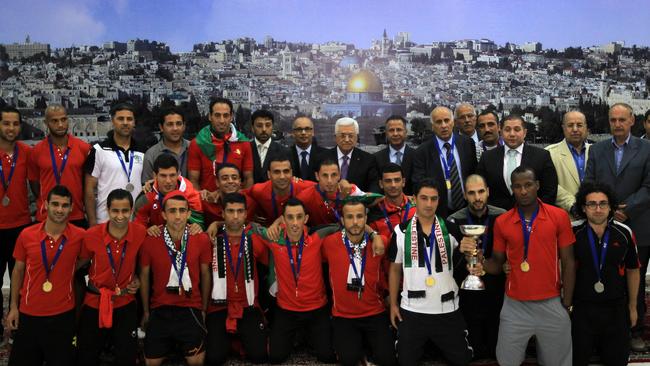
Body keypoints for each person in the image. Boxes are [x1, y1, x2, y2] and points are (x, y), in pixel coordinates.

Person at [478, 166, 575, 366]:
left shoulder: (559, 216)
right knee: (507, 361)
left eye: (528, 185)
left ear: (537, 185)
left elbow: (568, 261)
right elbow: (497, 263)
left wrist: (567, 302)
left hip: (552, 302)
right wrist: (478, 260)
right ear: (512, 189)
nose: (523, 191)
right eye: (518, 186)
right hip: (515, 305)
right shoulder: (503, 222)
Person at [584, 102, 650, 352]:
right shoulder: (598, 149)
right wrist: (609, 209)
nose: (618, 124)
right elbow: (589, 183)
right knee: (607, 278)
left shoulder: (647, 149)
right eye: (613, 120)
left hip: (639, 226)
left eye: (622, 120)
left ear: (633, 121)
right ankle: (604, 333)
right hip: (604, 225)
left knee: (635, 280)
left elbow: (649, 187)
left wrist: (627, 208)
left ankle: (635, 331)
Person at [388, 178, 473, 366]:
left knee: (462, 359)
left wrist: (470, 251)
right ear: (414, 199)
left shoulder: (451, 229)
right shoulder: (400, 231)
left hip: (447, 308)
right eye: (424, 198)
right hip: (412, 310)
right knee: (404, 361)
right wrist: (393, 304)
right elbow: (394, 269)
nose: (429, 204)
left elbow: (469, 260)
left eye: (433, 199)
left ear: (439, 200)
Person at [7, 185, 84, 366]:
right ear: (45, 204)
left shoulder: (80, 236)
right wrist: (13, 307)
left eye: (65, 205)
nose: (59, 210)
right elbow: (17, 270)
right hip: (29, 313)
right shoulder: (26, 235)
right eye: (55, 204)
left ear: (72, 208)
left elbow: (93, 255)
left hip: (63, 315)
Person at [139, 191, 213, 366]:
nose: (178, 216)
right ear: (164, 214)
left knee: (196, 362)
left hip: (190, 308)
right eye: (172, 211)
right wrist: (146, 312)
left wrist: (203, 309)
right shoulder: (151, 240)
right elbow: (144, 277)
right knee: (151, 363)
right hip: (160, 308)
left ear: (189, 213)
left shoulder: (200, 239)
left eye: (182, 210)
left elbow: (205, 274)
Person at [571, 181, 640, 366]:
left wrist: (632, 307)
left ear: (611, 207)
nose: (598, 209)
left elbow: (633, 270)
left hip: (615, 309)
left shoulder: (624, 233)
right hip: (581, 309)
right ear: (583, 208)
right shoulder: (573, 232)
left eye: (603, 203)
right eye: (591, 204)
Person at [76, 189, 147, 366]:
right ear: (107, 210)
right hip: (96, 301)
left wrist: (136, 277)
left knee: (127, 358)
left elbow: (142, 261)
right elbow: (80, 264)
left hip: (125, 301)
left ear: (131, 211)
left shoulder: (140, 233)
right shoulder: (91, 235)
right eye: (115, 211)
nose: (120, 216)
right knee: (85, 357)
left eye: (125, 211)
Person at [322, 200, 397, 366]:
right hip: (343, 315)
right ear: (342, 220)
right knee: (348, 360)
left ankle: (368, 347)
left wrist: (374, 235)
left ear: (366, 218)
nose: (355, 222)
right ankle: (361, 347)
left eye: (359, 216)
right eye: (349, 217)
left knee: (387, 360)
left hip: (374, 312)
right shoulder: (329, 244)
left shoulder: (380, 243)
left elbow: (394, 266)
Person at [205, 193, 269, 365]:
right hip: (219, 306)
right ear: (222, 213)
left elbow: (270, 268)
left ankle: (238, 339)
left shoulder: (255, 240)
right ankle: (231, 341)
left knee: (259, 356)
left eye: (240, 211)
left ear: (246, 213)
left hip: (248, 305)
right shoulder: (211, 240)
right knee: (214, 358)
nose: (235, 216)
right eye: (230, 211)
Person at [449, 174, 506, 360]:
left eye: (481, 191)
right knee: (473, 352)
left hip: (497, 290)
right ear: (465, 195)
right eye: (472, 193)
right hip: (467, 294)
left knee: (496, 351)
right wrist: (460, 251)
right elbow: (448, 263)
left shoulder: (502, 217)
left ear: (488, 192)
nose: (478, 197)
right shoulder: (453, 221)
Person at [476, 114, 558, 211]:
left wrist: (537, 213)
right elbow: (481, 190)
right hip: (497, 218)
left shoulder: (541, 156)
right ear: (501, 132)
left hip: (533, 218)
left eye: (517, 129)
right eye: (507, 130)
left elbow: (550, 191)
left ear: (525, 132)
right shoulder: (487, 157)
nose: (512, 134)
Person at [85, 102, 146, 226]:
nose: (125, 122)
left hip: (135, 222)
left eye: (129, 119)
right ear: (112, 121)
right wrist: (92, 223)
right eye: (120, 119)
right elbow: (89, 189)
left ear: (134, 123)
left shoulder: (143, 150)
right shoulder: (99, 150)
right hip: (105, 221)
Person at [29, 104, 91, 227]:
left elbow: (86, 183)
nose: (60, 125)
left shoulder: (83, 148)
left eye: (63, 119)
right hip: (46, 217)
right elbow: (34, 184)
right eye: (55, 121)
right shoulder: (36, 151)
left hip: (75, 215)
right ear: (46, 123)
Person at [0, 106, 32, 341]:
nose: (11, 128)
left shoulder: (26, 152)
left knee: (20, 282)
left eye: (14, 124)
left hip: (20, 227)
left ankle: (17, 326)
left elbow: (35, 187)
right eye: (6, 123)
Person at [412, 106, 477, 217]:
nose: (443, 126)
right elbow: (419, 184)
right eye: (439, 122)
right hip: (438, 212)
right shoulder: (422, 152)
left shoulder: (467, 143)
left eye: (446, 120)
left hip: (468, 210)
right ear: (432, 126)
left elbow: (474, 174)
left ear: (453, 122)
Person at [188, 97, 253, 192]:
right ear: (210, 116)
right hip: (207, 204)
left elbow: (248, 179)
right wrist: (201, 201)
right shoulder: (198, 143)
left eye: (226, 116)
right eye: (217, 115)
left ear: (231, 117)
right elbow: (193, 180)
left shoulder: (243, 143)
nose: (222, 121)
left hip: (235, 203)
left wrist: (239, 201)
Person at [134, 153, 203, 233]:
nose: (168, 181)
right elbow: (136, 231)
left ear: (178, 174)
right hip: (155, 241)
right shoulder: (145, 198)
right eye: (163, 176)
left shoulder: (191, 194)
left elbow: (200, 225)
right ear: (155, 176)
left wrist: (197, 227)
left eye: (172, 175)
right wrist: (146, 231)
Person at [246, 154, 315, 223]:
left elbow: (323, 188)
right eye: (276, 172)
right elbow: (241, 197)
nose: (282, 177)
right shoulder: (258, 190)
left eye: (286, 171)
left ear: (291, 173)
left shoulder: (306, 188)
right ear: (269, 174)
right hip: (268, 231)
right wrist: (252, 214)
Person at [545, 110, 590, 215]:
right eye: (570, 125)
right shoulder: (549, 153)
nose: (575, 129)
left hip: (596, 216)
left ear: (586, 127)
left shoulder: (596, 152)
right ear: (563, 128)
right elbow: (550, 185)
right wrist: (573, 205)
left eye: (579, 125)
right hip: (565, 217)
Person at [296, 159, 365, 227]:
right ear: (317, 176)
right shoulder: (305, 197)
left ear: (339, 175)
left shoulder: (349, 190)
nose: (329, 180)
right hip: (318, 235)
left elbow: (373, 200)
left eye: (334, 175)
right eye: (325, 175)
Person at [328, 117, 380, 192]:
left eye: (351, 136)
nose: (346, 140)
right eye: (342, 136)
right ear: (335, 137)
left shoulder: (368, 160)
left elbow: (374, 187)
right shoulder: (323, 158)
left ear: (357, 137)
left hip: (359, 203)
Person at [142, 106, 190, 182]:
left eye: (179, 124)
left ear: (184, 126)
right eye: (170, 124)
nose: (175, 128)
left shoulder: (194, 148)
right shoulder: (152, 155)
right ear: (161, 127)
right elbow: (147, 186)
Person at [374, 115, 415, 194]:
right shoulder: (376, 158)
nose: (395, 134)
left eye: (399, 130)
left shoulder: (416, 156)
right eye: (391, 130)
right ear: (386, 133)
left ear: (405, 132)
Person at [249, 109, 288, 183]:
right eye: (259, 126)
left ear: (272, 127)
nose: (264, 129)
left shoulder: (284, 151)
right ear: (252, 128)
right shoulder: (246, 149)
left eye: (268, 125)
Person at [288, 115, 328, 182]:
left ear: (313, 132)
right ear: (293, 133)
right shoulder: (285, 155)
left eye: (307, 129)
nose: (303, 133)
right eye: (299, 129)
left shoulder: (325, 155)